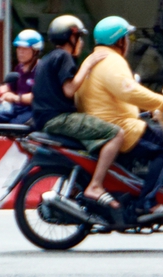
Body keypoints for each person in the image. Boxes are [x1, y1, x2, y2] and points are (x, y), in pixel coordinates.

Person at [76, 16, 163, 219]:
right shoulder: (112, 61)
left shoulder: (94, 59)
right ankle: (147, 203)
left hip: (102, 125)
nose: (128, 42)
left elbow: (115, 97)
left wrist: (144, 111)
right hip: (119, 128)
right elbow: (131, 92)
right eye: (127, 37)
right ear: (119, 41)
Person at [31, 15, 124, 210]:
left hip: (46, 119)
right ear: (70, 38)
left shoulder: (48, 59)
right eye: (79, 38)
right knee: (116, 133)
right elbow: (70, 89)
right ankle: (96, 186)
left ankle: (77, 186)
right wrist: (88, 64)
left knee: (93, 144)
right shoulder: (64, 57)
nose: (81, 43)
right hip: (59, 119)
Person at [0, 29, 42, 125]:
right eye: (19, 48)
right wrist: (0, 90)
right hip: (17, 107)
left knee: (14, 125)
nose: (20, 52)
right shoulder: (19, 67)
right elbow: (10, 86)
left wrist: (15, 98)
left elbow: (37, 97)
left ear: (35, 51)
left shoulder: (41, 69)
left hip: (32, 110)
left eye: (25, 49)